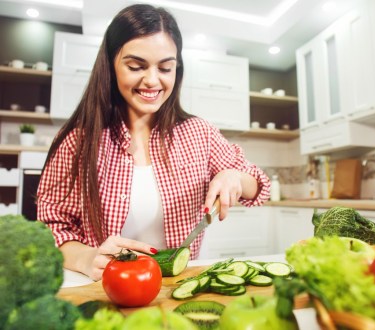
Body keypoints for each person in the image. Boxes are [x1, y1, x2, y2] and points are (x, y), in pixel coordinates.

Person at [37, 4, 270, 281]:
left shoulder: (199, 133)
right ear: (111, 65)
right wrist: (88, 258)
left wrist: (234, 177)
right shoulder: (79, 140)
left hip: (177, 287)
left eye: (165, 68)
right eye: (136, 66)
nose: (152, 81)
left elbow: (259, 188)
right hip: (106, 287)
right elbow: (52, 226)